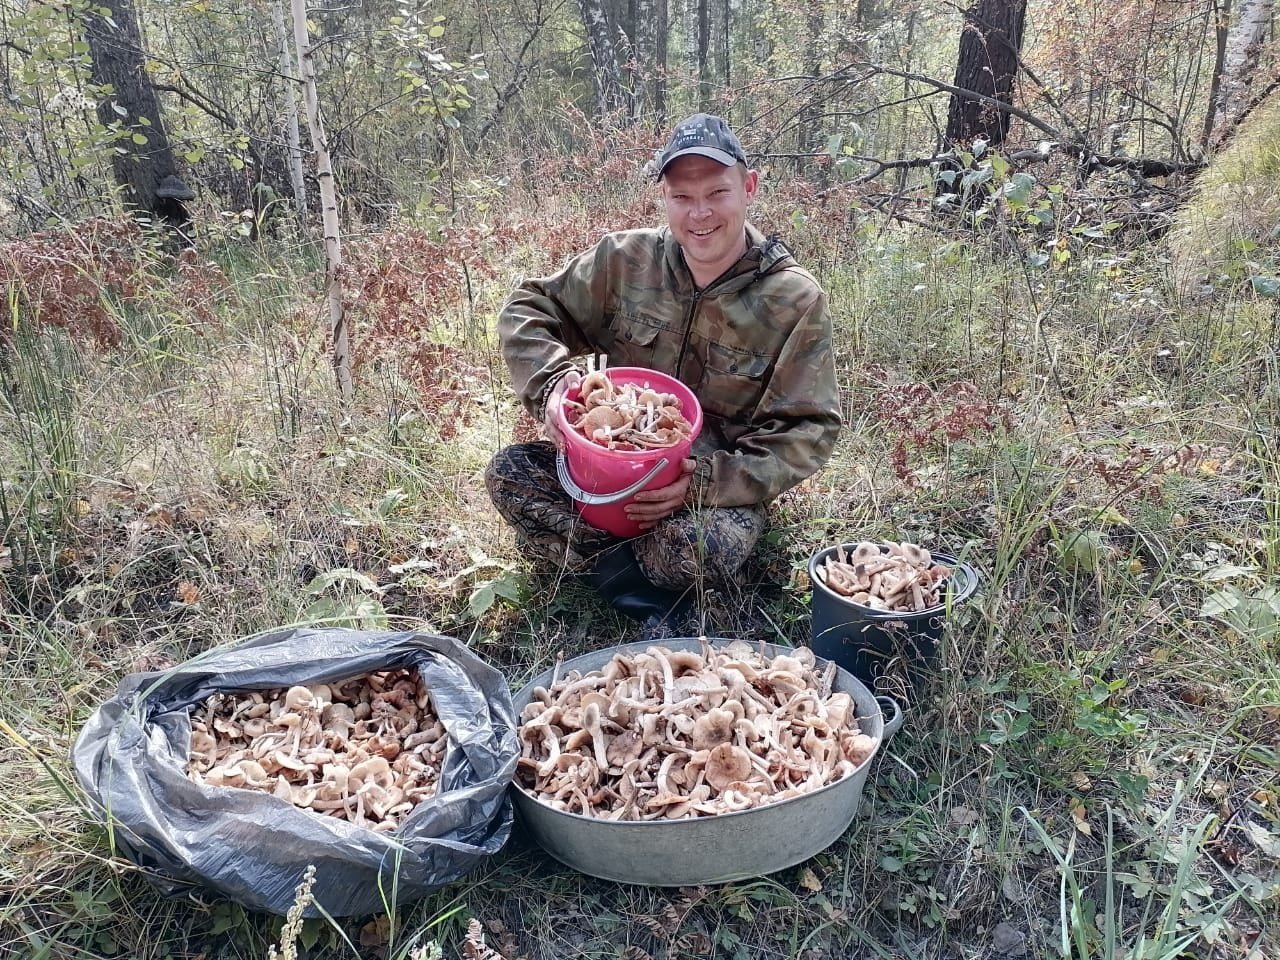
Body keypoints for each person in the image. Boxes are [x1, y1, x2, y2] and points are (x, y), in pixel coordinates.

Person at [486, 113, 840, 634]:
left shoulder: (791, 299)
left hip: (703, 486)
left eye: (717, 193)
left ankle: (603, 563)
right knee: (509, 475)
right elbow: (528, 307)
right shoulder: (626, 260)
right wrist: (553, 385)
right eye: (682, 197)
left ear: (748, 187)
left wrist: (707, 482)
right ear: (665, 199)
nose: (700, 214)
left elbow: (809, 430)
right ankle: (634, 576)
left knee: (702, 548)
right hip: (602, 469)